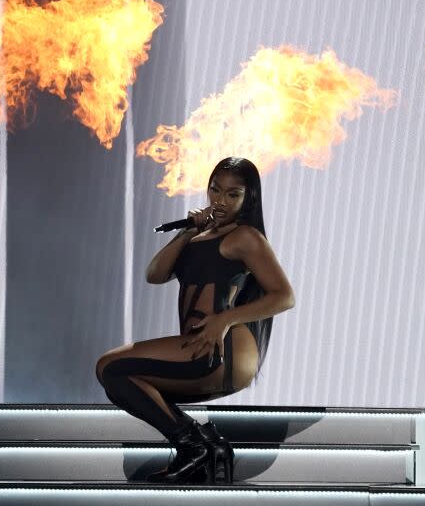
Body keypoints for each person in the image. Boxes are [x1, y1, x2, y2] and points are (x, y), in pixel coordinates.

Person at [95, 156, 295, 484]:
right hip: (199, 345)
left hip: (225, 347)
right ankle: (201, 444)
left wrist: (225, 319)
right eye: (215, 190)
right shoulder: (200, 235)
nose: (220, 201)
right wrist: (189, 230)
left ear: (249, 198)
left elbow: (284, 296)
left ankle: (194, 446)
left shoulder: (246, 237)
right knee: (116, 376)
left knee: (112, 368)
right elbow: (154, 274)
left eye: (233, 194)